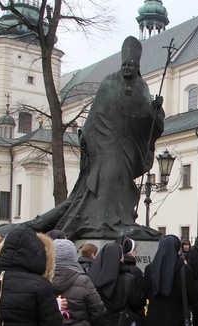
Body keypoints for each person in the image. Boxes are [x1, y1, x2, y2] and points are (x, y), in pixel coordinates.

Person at [54, 36, 165, 240]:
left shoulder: (142, 86)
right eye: (124, 64)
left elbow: (145, 118)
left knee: (122, 180)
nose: (126, 68)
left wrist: (156, 110)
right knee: (109, 176)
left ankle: (121, 219)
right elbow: (96, 114)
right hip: (106, 141)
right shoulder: (109, 82)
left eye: (130, 65)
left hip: (128, 143)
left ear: (137, 66)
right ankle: (104, 220)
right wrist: (91, 139)